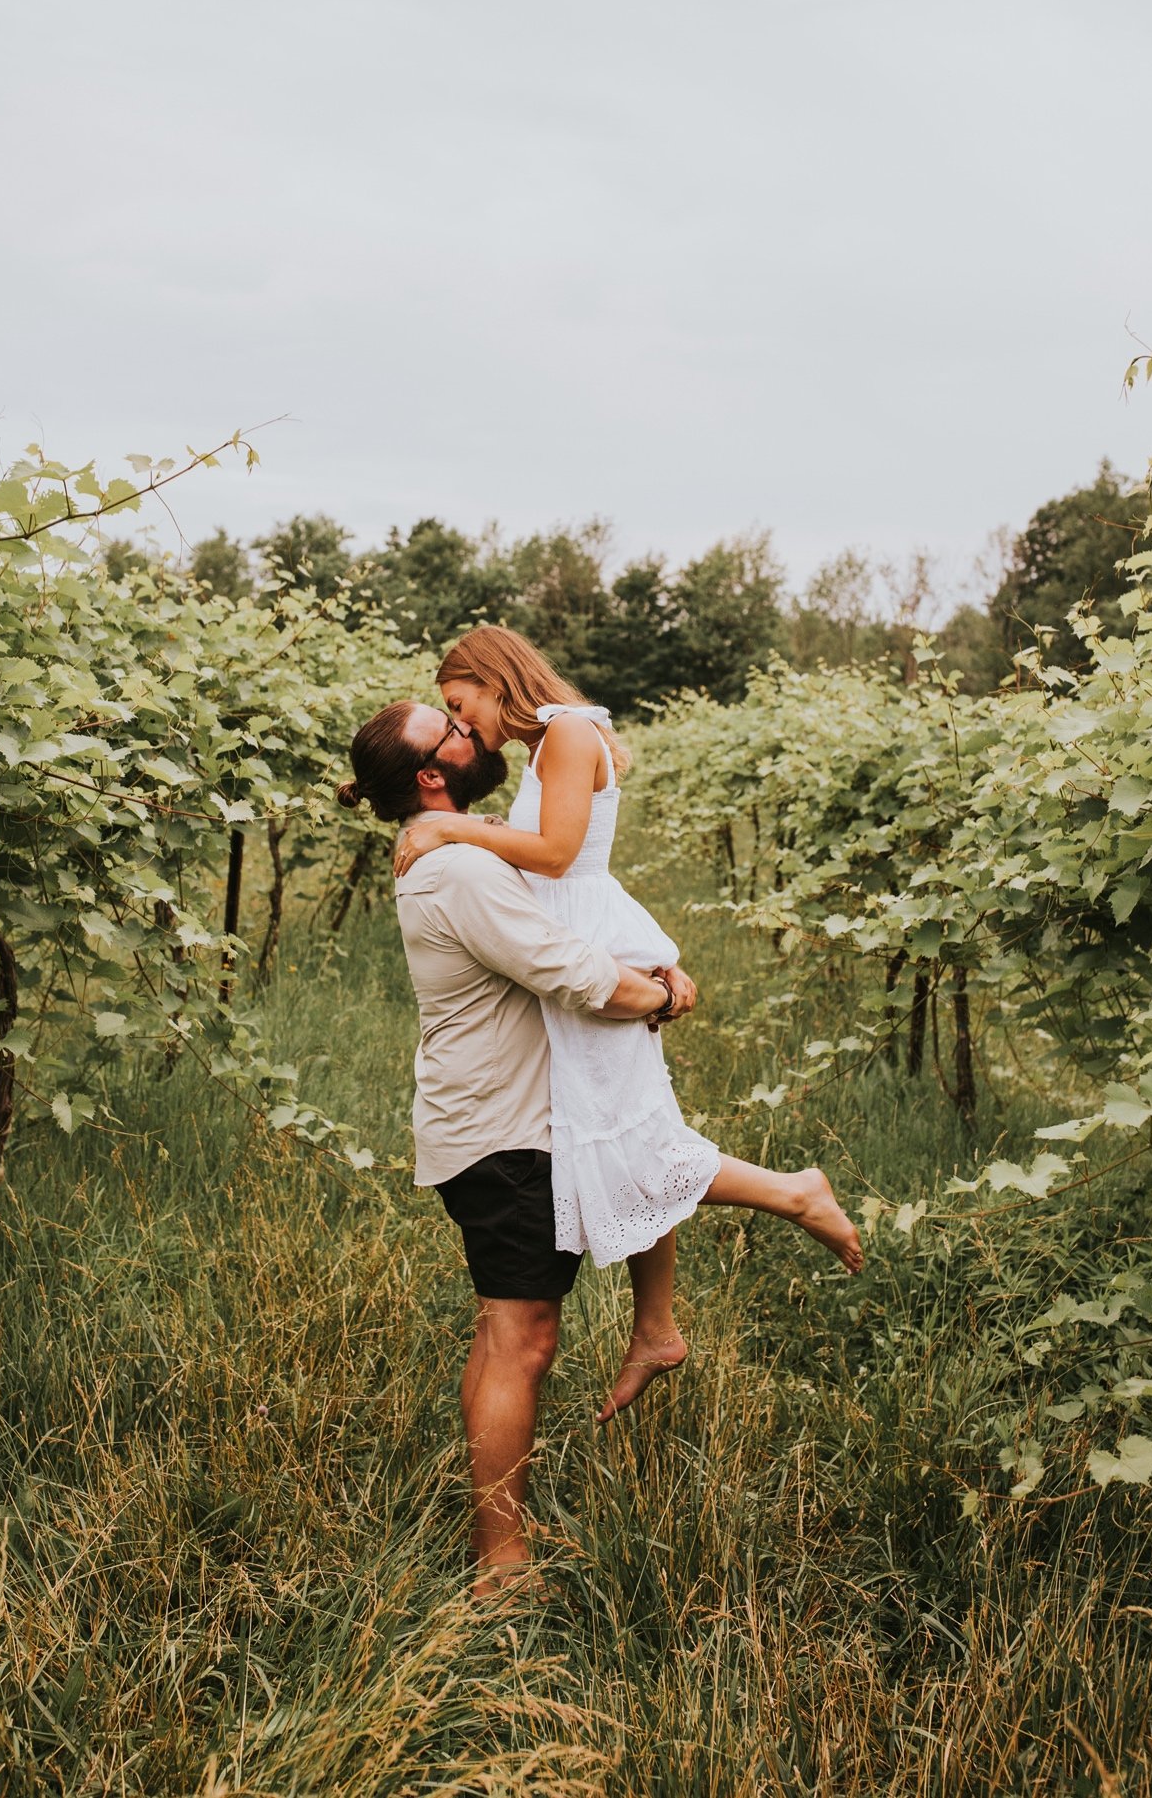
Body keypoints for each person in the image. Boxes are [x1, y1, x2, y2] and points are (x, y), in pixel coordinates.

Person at [393, 627, 863, 1425]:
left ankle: (792, 1195)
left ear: (490, 675)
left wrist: (448, 826)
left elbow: (554, 851)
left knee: (631, 1137)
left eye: (458, 701)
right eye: (450, 714)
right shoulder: (553, 744)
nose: (462, 720)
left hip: (590, 947)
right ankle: (656, 1325)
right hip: (583, 944)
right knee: (621, 1136)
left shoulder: (570, 733)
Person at [336, 696, 695, 1596]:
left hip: (501, 1121)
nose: (474, 733)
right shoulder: (458, 870)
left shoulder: (459, 847)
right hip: (504, 1131)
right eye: (452, 729)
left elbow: (569, 922)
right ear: (431, 774)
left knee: (511, 1333)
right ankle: (502, 1566)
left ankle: (500, 1545)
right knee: (522, 1337)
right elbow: (572, 975)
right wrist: (662, 998)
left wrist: (647, 968)